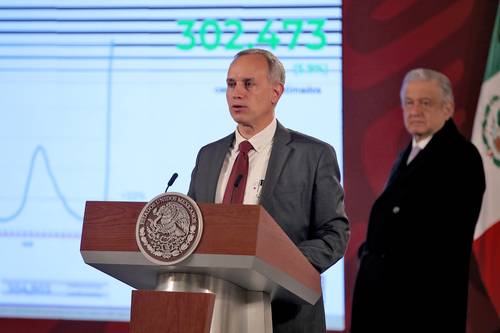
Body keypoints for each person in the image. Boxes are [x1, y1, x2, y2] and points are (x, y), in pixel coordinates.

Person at [187, 48, 349, 332]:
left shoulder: (314, 155)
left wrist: (282, 266)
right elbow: (192, 226)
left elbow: (334, 233)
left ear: (276, 92)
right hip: (212, 310)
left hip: (284, 315)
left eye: (249, 84)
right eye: (231, 84)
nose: (237, 93)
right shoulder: (208, 155)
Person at [350, 68, 486, 332]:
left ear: (448, 108)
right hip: (385, 303)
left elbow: (446, 240)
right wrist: (368, 255)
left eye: (426, 103)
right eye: (409, 102)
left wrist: (380, 260)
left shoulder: (461, 158)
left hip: (420, 310)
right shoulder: (408, 153)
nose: (415, 110)